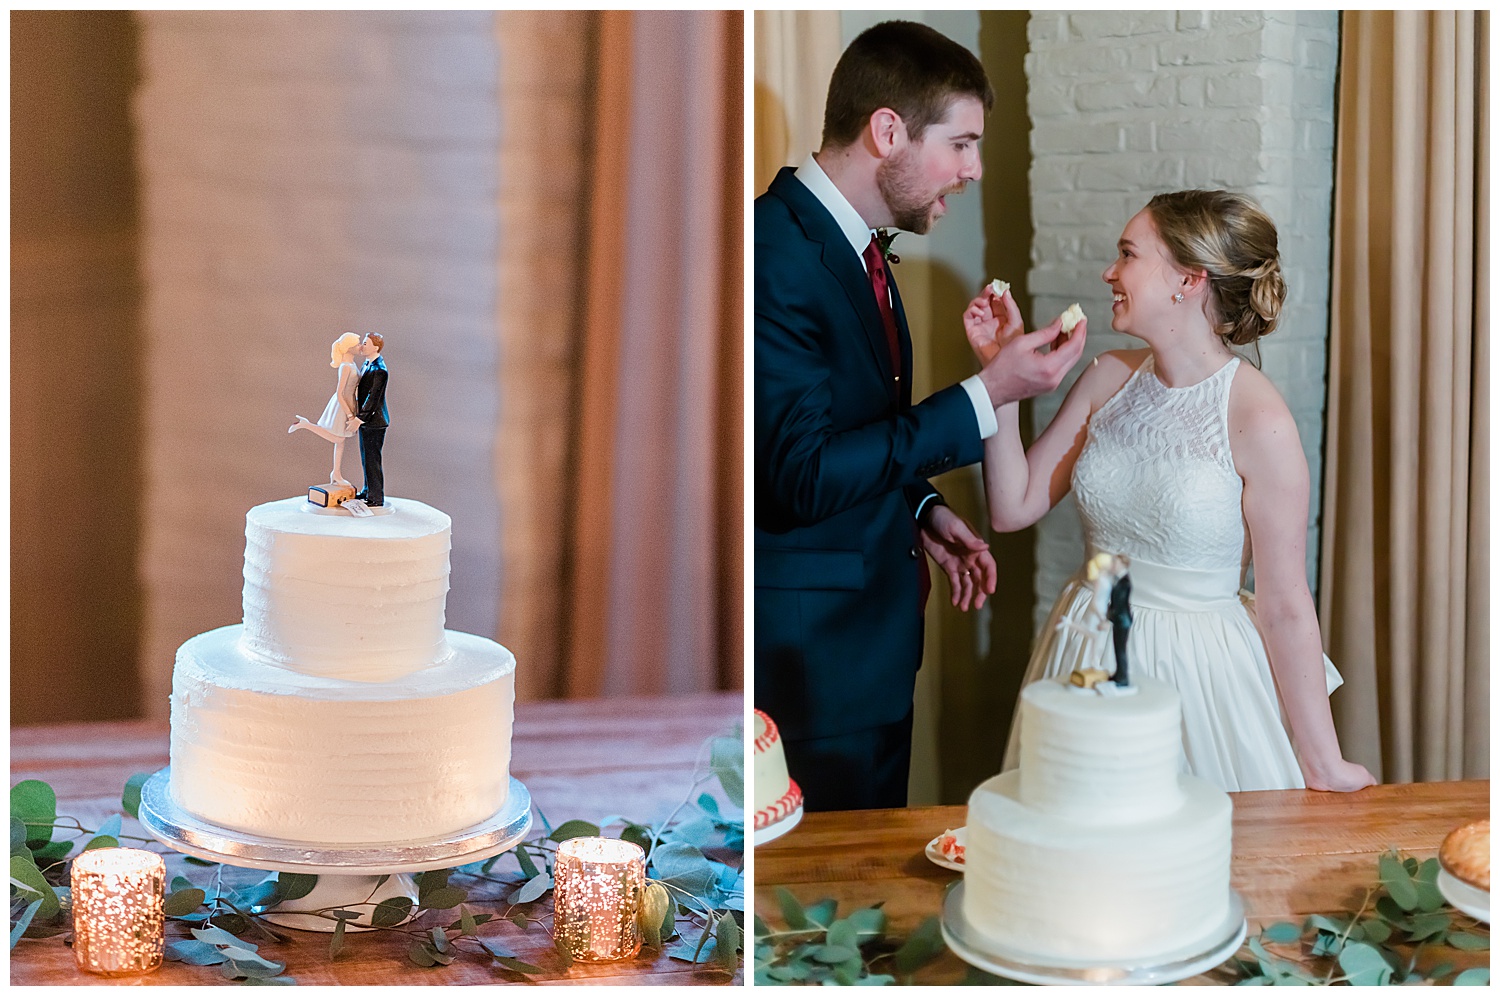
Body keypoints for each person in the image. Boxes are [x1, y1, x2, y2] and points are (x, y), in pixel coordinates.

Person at [755, 20, 1088, 811]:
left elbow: (844, 434)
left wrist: (924, 508)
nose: (974, 170)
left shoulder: (863, 249)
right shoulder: (774, 251)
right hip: (810, 670)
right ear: (888, 130)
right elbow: (797, 476)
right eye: (962, 143)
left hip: (866, 656)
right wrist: (989, 394)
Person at [966, 188, 1375, 793]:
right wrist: (997, 380)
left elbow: (1286, 605)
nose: (1109, 272)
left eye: (1127, 254)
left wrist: (1324, 761)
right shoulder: (1107, 378)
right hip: (1087, 651)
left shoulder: (1258, 415)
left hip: (1200, 673)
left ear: (1189, 278)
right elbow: (1012, 506)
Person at [290, 332, 363, 487]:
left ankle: (336, 473)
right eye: (356, 344)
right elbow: (340, 392)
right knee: (338, 439)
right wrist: (350, 414)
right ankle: (306, 425)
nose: (359, 346)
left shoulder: (352, 364)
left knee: (341, 442)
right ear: (349, 347)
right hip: (342, 404)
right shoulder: (345, 367)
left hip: (349, 403)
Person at [354, 333, 389, 507]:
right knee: (366, 458)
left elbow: (373, 398)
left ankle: (376, 497)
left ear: (375, 347)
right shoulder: (368, 364)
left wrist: (360, 418)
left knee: (373, 460)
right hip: (367, 421)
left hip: (374, 422)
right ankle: (368, 490)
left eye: (365, 343)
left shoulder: (379, 370)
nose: (362, 345)